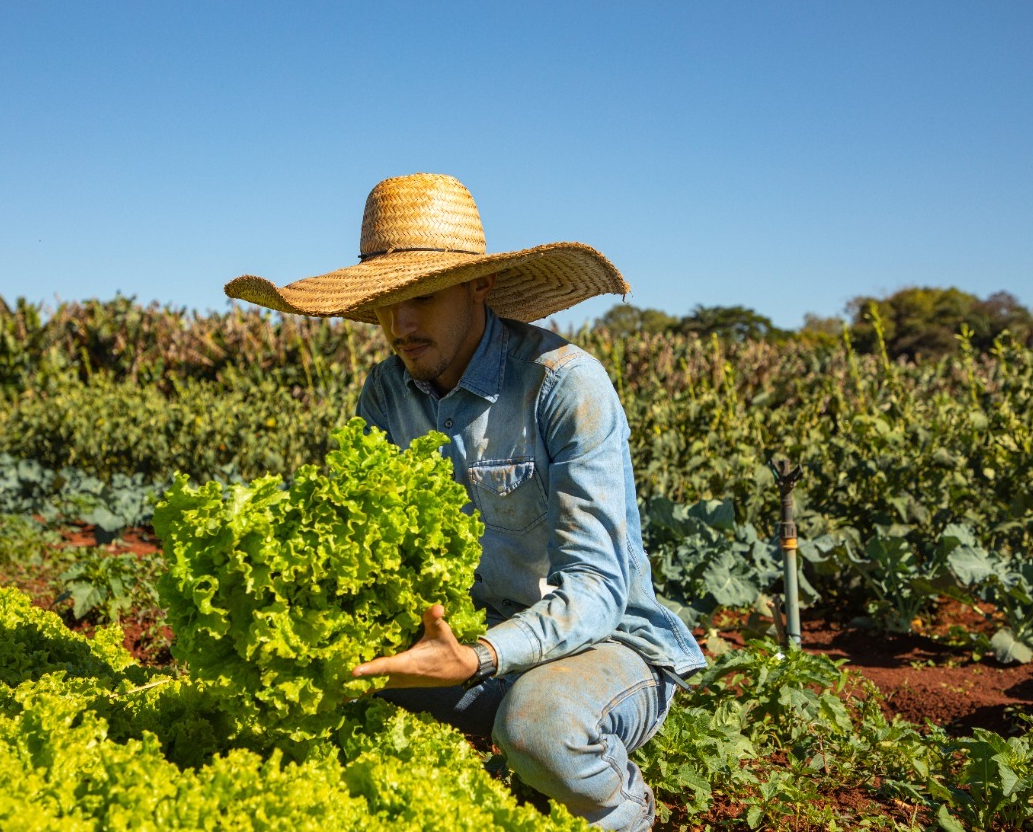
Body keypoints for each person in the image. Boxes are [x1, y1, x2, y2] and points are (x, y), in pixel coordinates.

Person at [225, 173, 706, 832]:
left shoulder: (564, 386)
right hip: (461, 641)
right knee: (313, 683)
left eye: (421, 296)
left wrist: (477, 656)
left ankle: (623, 811)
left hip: (603, 647)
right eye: (385, 301)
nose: (399, 324)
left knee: (539, 724)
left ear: (480, 285)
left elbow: (596, 591)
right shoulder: (386, 393)